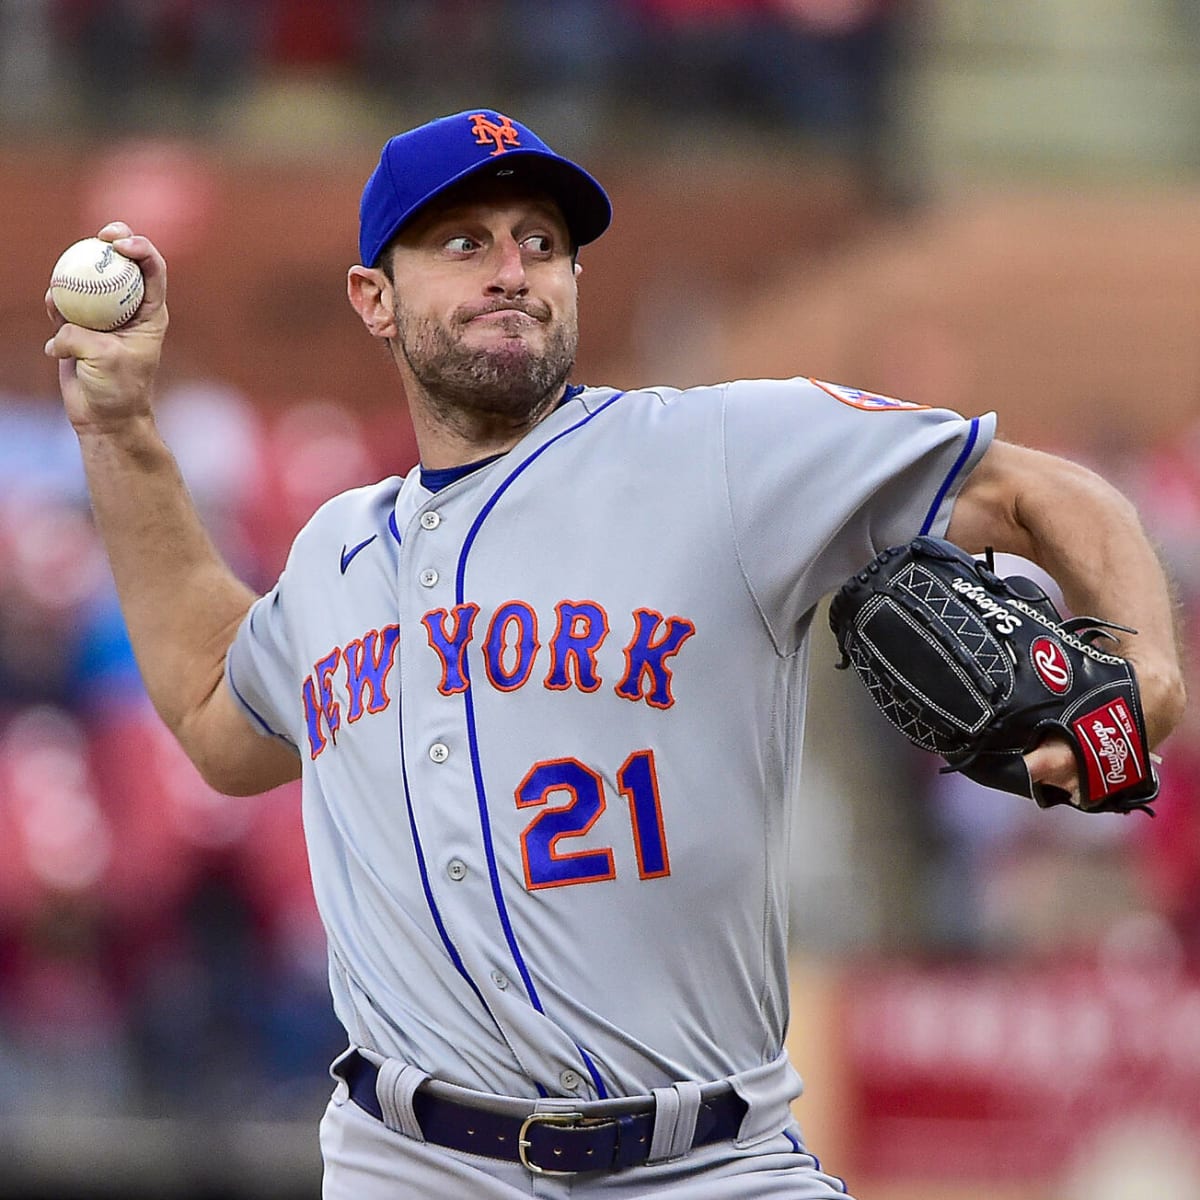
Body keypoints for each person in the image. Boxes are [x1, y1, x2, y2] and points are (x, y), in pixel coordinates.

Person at [44, 109, 1186, 1198]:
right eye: (465, 242)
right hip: (414, 1162)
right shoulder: (338, 553)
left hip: (707, 1158)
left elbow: (1037, 491)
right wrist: (119, 428)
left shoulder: (721, 455)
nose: (513, 268)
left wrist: (1147, 670)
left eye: (543, 242)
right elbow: (210, 706)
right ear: (373, 298)